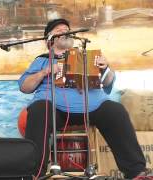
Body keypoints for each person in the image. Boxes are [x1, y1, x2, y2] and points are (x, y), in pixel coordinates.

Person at [18, 18, 151, 179]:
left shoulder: (88, 57)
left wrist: (106, 68)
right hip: (55, 109)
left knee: (115, 110)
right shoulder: (42, 60)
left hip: (93, 108)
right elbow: (25, 87)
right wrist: (44, 72)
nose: (64, 31)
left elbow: (108, 83)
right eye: (58, 30)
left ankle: (137, 173)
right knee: (39, 110)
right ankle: (34, 174)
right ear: (49, 39)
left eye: (66, 29)